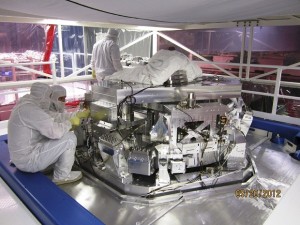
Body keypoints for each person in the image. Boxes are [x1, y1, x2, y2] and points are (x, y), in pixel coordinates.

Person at [7, 82, 82, 185]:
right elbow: (56, 132)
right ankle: (62, 176)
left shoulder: (26, 105)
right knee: (69, 138)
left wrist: (77, 115)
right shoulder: (31, 110)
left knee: (54, 137)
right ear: (44, 96)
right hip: (28, 161)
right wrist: (70, 123)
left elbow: (52, 117)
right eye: (49, 96)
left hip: (20, 157)